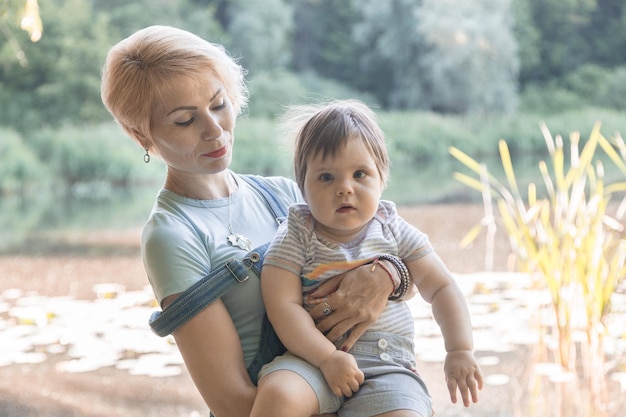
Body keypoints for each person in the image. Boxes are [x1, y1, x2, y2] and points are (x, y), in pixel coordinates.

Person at [100, 26, 412, 417]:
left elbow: (405, 265)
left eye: (218, 104)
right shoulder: (172, 235)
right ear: (140, 134)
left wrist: (389, 273)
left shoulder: (283, 193)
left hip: (367, 389)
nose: (214, 130)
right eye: (184, 120)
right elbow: (232, 402)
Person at [251, 100, 483, 417]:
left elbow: (442, 286)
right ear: (303, 186)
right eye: (326, 177)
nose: (345, 188)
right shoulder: (296, 233)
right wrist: (326, 358)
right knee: (278, 395)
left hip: (388, 365)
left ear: (381, 178)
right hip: (311, 359)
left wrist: (459, 348)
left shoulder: (394, 230)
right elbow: (283, 307)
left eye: (360, 174)